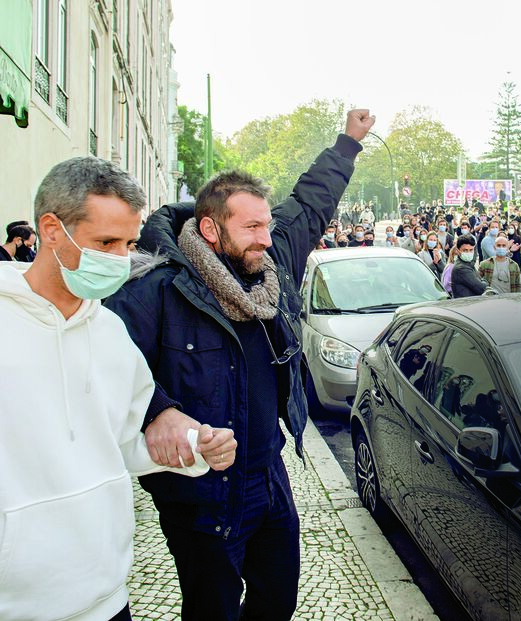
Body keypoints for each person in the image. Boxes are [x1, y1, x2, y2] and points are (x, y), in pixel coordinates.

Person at [104, 110, 374, 620]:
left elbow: (312, 204)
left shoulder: (269, 268)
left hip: (268, 477)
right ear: (210, 228)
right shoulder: (155, 289)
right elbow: (107, 367)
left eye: (267, 225)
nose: (266, 238)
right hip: (199, 495)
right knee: (214, 610)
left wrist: (348, 143)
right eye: (251, 226)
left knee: (277, 600)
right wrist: (160, 410)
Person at [0, 157, 235, 621]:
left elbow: (129, 439)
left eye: (128, 243)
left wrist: (195, 446)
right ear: (51, 229)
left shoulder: (109, 330)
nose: (119, 259)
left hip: (107, 596)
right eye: (105, 242)